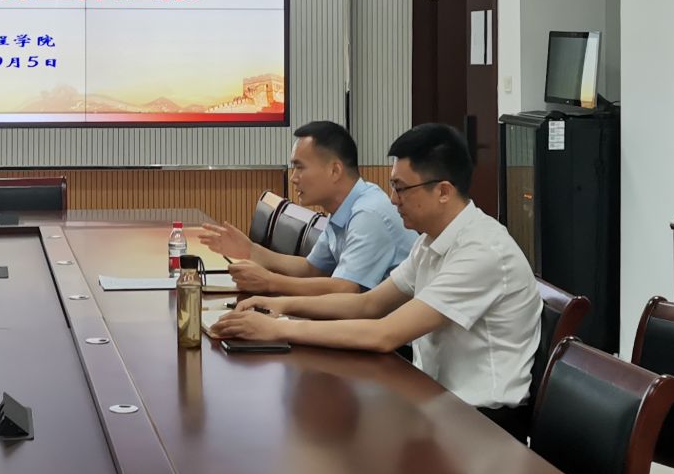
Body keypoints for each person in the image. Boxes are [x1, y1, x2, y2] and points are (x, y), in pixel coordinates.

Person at [210, 123, 540, 432]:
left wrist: (278, 328)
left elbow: (385, 334)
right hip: (433, 396)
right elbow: (368, 304)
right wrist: (279, 305)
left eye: (401, 188)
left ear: (443, 191)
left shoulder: (482, 251)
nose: (393, 199)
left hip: (481, 422)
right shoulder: (429, 241)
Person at [196, 120, 412, 298]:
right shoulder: (343, 208)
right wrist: (251, 250)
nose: (293, 178)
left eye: (300, 167)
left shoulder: (368, 214)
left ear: (335, 170)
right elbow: (312, 269)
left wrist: (270, 282)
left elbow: (346, 289)